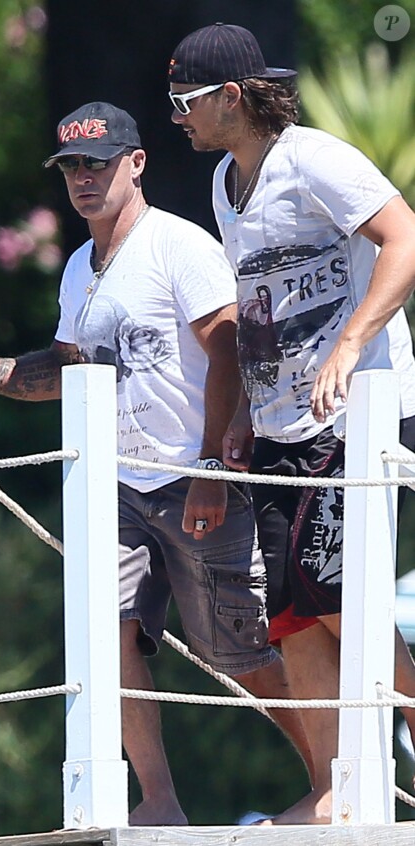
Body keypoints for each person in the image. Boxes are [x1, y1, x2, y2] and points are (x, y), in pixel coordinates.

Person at [0, 101, 313, 826]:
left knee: (238, 651)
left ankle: (329, 780)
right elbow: (64, 368)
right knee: (106, 634)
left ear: (137, 163)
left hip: (193, 479)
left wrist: (211, 472)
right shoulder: (77, 269)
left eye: (97, 163)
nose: (83, 179)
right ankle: (157, 801)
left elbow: (232, 352)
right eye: (70, 168)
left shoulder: (178, 247)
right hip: (116, 486)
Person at [168, 22, 415, 825]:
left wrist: (351, 345)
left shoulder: (315, 159)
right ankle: (332, 786)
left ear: (232, 98)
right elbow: (258, 312)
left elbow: (405, 236)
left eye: (186, 101)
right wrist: (240, 415)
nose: (178, 117)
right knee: (294, 616)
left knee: (340, 597)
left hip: (355, 416)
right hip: (280, 430)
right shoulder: (224, 186)